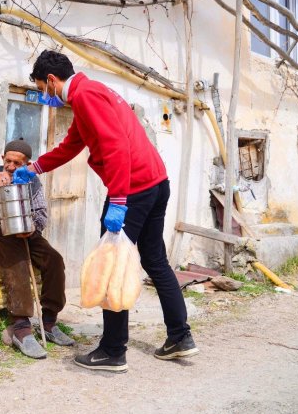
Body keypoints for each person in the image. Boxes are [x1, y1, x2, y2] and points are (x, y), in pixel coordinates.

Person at [15, 50, 198, 373]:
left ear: (52, 81)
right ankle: (180, 337)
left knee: (110, 263)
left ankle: (113, 350)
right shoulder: (90, 93)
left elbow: (115, 147)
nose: (45, 94)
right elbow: (73, 143)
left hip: (134, 188)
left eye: (43, 87)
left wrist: (118, 200)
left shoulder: (86, 97)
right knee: (155, 259)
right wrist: (36, 167)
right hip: (155, 182)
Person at [0, 139, 75, 359]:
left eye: (17, 163)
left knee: (54, 259)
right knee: (17, 259)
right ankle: (21, 328)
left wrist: (31, 228)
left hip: (26, 231)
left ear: (27, 163)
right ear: (3, 158)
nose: (11, 166)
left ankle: (49, 321)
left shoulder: (33, 182)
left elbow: (41, 214)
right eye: (8, 161)